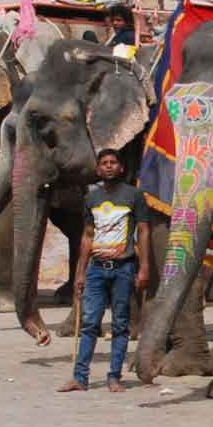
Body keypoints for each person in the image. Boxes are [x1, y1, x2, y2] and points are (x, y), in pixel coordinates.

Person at [58, 149, 150, 393]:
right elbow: (88, 237)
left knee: (120, 325)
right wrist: (80, 273)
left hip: (124, 268)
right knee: (89, 323)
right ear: (98, 169)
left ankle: (114, 377)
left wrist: (144, 268)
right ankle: (80, 377)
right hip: (97, 269)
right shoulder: (92, 199)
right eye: (104, 163)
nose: (109, 167)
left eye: (113, 163)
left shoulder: (134, 195)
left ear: (121, 168)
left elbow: (142, 231)